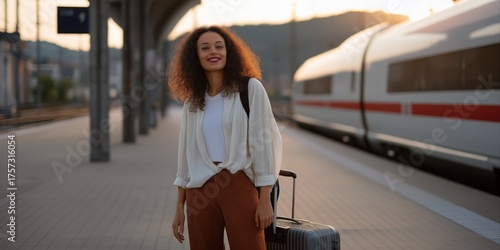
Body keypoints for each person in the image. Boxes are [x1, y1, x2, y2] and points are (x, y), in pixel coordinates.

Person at [168, 26, 282, 250]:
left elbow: (265, 143)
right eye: (205, 48)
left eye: (219, 46)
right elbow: (185, 158)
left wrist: (265, 199)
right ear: (196, 57)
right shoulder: (193, 102)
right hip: (199, 192)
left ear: (229, 52)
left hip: (238, 184)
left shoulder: (250, 89)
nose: (213, 52)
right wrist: (179, 208)